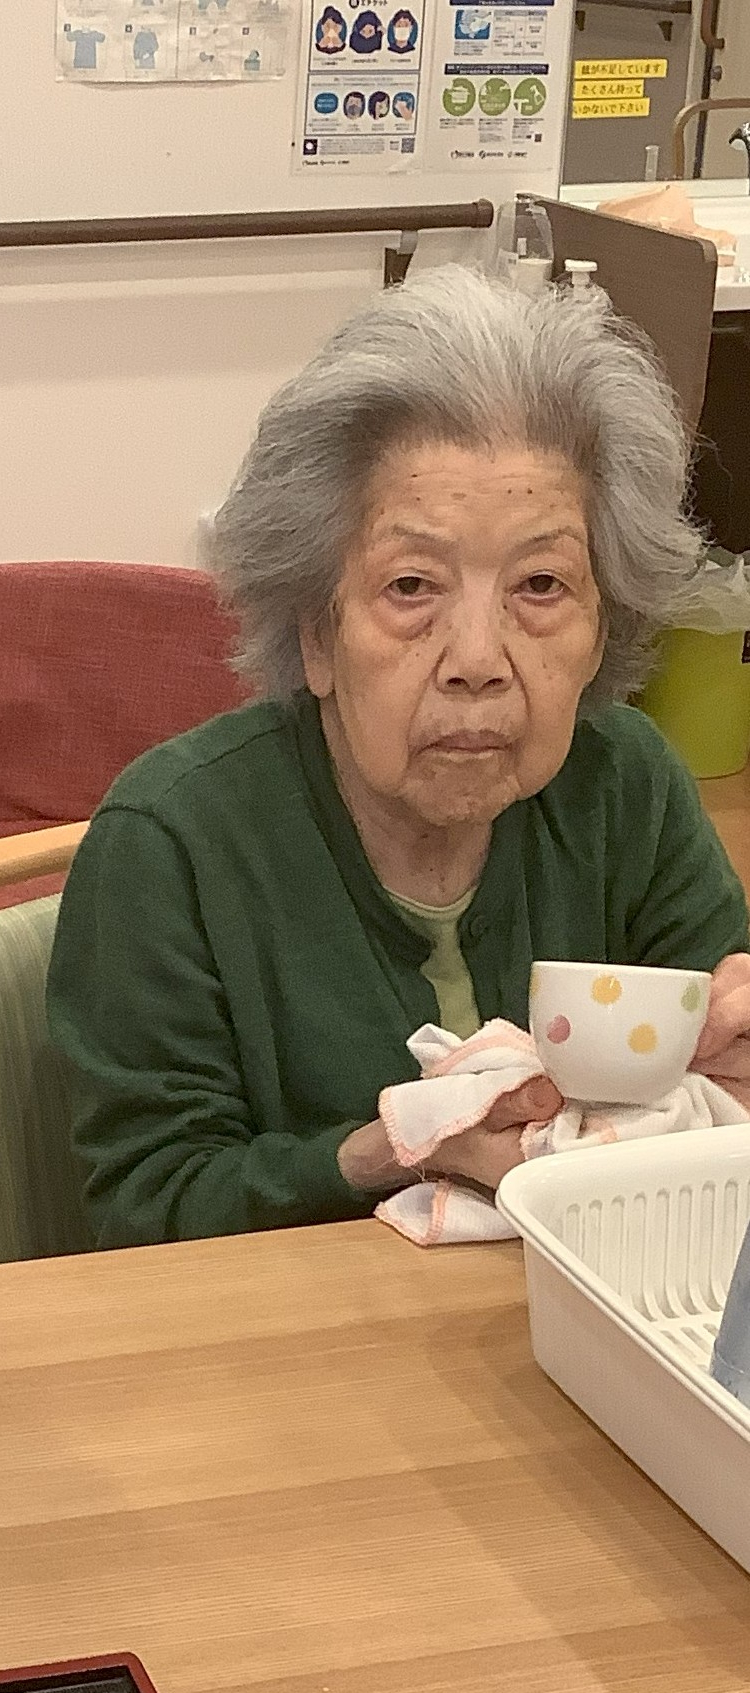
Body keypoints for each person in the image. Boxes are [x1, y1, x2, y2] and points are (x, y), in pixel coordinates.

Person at [48, 267, 750, 1246]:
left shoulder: (624, 787)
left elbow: (710, 1119)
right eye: (411, 586)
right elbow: (146, 1208)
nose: (476, 660)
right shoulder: (169, 842)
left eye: (539, 585)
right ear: (316, 633)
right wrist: (391, 1152)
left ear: (604, 627)